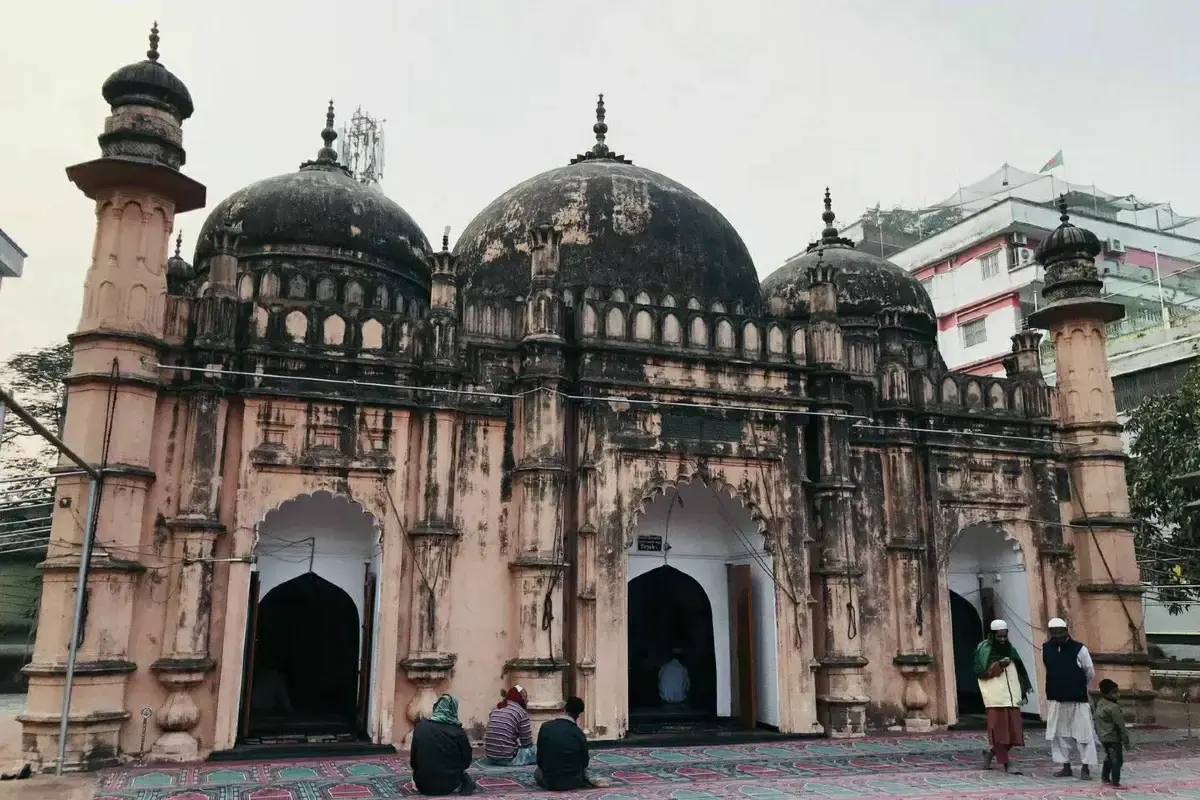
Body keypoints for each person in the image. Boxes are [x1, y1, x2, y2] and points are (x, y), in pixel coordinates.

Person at [974, 619, 1032, 774]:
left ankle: (990, 753)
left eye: (1004, 636)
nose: (1002, 639)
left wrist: (1022, 689)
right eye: (999, 637)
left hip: (1012, 696)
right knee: (999, 733)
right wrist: (998, 665)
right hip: (995, 698)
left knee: (1014, 734)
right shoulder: (984, 649)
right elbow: (981, 673)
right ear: (992, 635)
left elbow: (1019, 670)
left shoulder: (1010, 649)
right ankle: (1006, 763)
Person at [1042, 617, 1098, 779]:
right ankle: (1065, 766)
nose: (1057, 635)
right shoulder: (1045, 649)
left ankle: (1085, 767)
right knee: (1059, 734)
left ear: (1066, 631)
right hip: (1056, 699)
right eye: (1054, 632)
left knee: (1083, 734)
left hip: (1077, 700)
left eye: (1060, 631)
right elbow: (1048, 668)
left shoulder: (1079, 649)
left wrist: (1077, 686)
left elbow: (1089, 672)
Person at [535, 696, 609, 790]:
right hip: (573, 782)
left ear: (565, 709)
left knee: (537, 772)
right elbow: (584, 763)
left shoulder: (545, 727)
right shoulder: (578, 733)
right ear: (578, 715)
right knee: (583, 771)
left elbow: (540, 760)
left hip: (550, 782)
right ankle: (589, 778)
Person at [410, 695, 476, 796]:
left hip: (422, 785)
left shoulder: (421, 726)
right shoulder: (458, 732)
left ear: (437, 707)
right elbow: (467, 761)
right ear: (453, 709)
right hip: (451, 785)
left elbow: (413, 761)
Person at [483, 685, 536, 766]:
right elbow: (527, 744)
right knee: (538, 750)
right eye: (525, 697)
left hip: (490, 756)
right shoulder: (521, 712)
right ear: (519, 697)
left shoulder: (496, 708)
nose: (527, 700)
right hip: (508, 758)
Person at [1095, 679, 1130, 788]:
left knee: (1109, 757)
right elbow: (1121, 726)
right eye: (1114, 692)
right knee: (1117, 760)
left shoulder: (1100, 703)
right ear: (1107, 693)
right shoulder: (1114, 708)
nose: (1117, 694)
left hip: (1103, 737)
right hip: (1113, 738)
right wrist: (1126, 741)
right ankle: (1115, 781)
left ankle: (1105, 777)